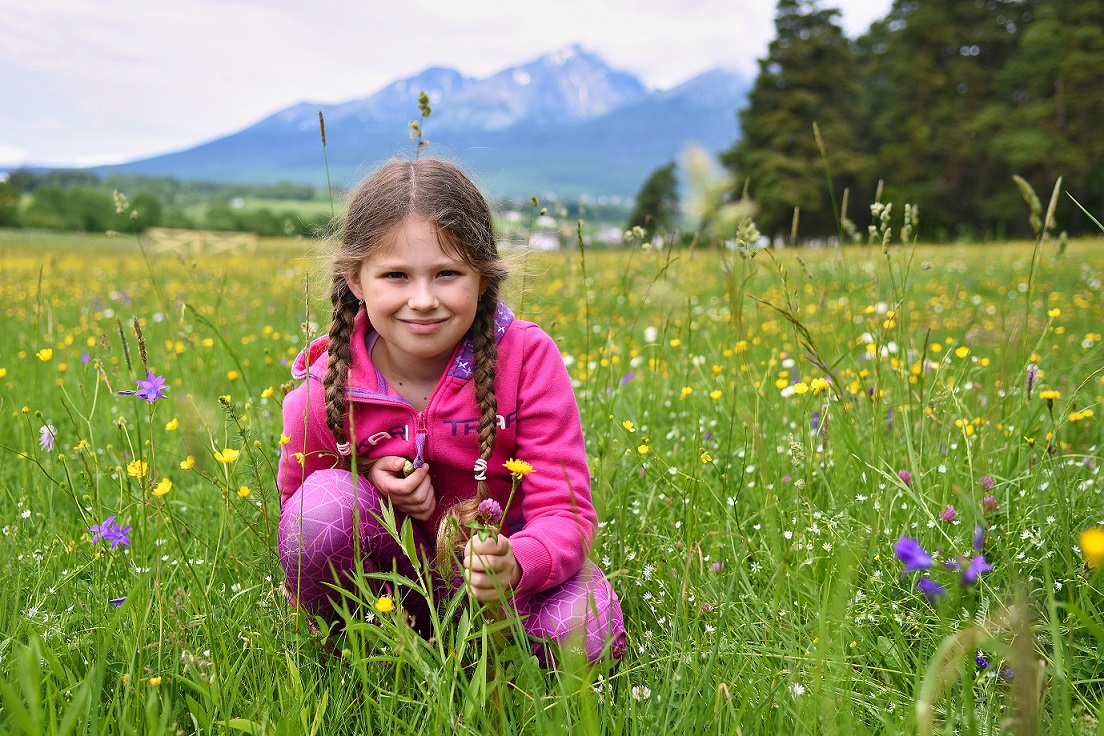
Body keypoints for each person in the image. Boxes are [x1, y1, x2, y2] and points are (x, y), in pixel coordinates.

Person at [276, 157, 625, 663]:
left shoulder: (527, 359)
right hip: (393, 605)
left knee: (586, 635)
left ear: (482, 277)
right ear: (355, 280)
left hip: (511, 599)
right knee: (322, 511)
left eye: (447, 274)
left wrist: (517, 563)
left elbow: (564, 510)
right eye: (395, 275)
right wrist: (368, 475)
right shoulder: (327, 387)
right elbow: (298, 516)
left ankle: (496, 670)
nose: (422, 300)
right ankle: (365, 664)